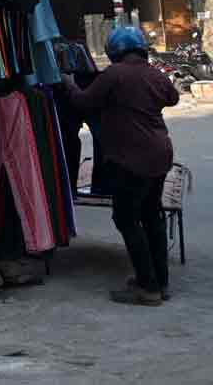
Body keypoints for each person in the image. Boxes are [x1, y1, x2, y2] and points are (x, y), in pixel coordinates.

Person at [63, 26, 180, 306]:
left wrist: (68, 83)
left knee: (126, 218)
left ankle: (146, 286)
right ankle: (160, 282)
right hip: (159, 153)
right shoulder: (154, 73)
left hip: (131, 158)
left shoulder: (115, 75)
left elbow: (83, 101)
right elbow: (173, 98)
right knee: (151, 215)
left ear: (114, 51)